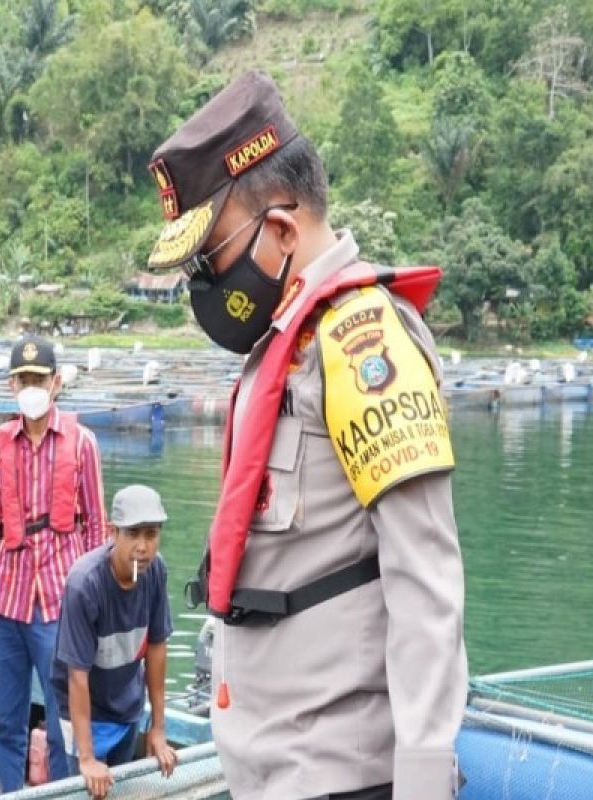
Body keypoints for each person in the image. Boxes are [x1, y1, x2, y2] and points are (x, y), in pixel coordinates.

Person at [144, 70, 468, 800]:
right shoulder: (284, 346)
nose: (203, 283)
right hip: (272, 771)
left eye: (208, 259)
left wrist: (422, 784)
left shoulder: (361, 344)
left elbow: (426, 584)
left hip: (338, 778)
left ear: (283, 230)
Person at [0, 335, 107, 793]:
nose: (31, 387)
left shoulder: (82, 444)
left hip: (61, 606)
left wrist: (97, 606)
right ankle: (11, 792)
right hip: (6, 604)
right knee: (7, 719)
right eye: (22, 379)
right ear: (12, 386)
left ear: (56, 383)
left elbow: (98, 532)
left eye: (38, 379)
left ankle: (61, 794)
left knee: (64, 714)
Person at [51, 484, 178, 799]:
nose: (143, 547)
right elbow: (77, 675)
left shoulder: (153, 572)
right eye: (133, 534)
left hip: (126, 703)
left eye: (151, 534)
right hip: (85, 711)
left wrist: (158, 729)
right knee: (86, 791)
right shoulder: (85, 585)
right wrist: (87, 757)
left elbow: (157, 646)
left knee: (122, 791)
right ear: (112, 533)